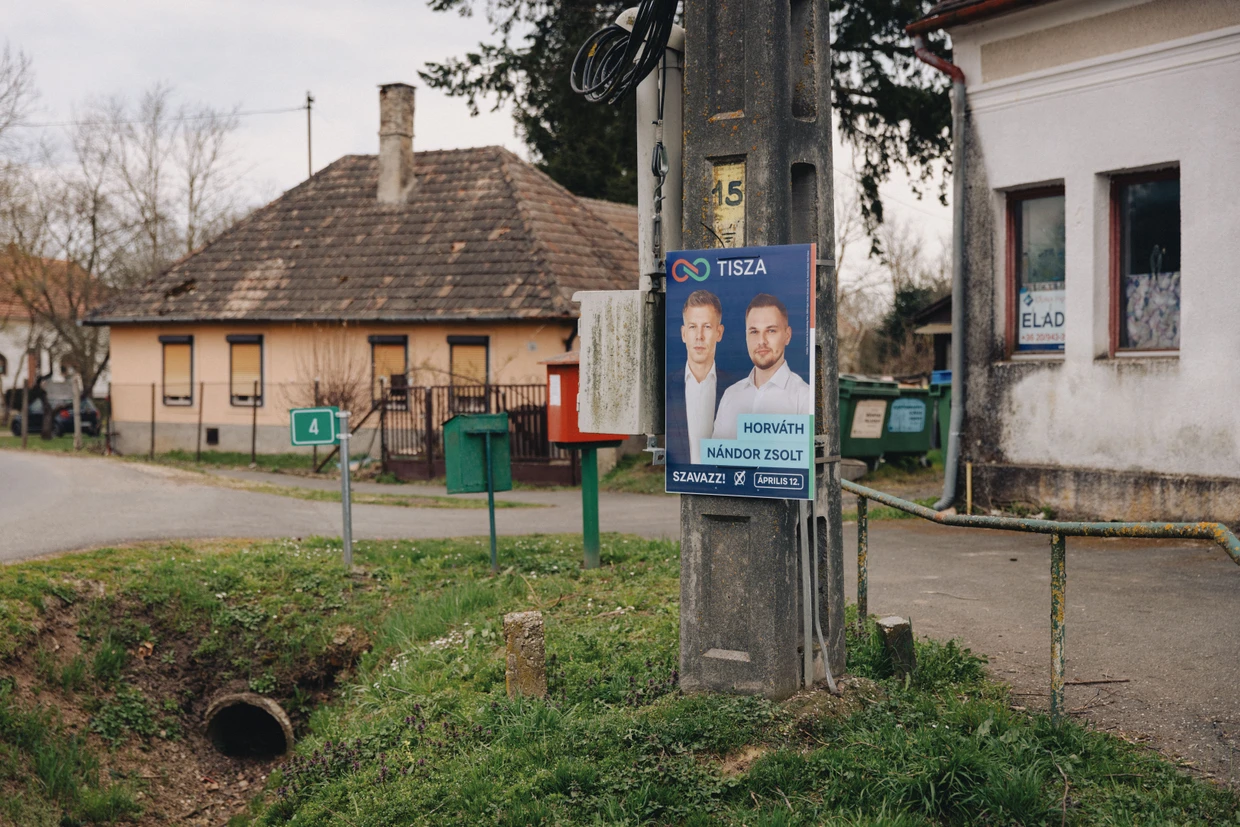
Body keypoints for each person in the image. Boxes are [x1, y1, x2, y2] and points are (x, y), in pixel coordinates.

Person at [712, 293, 812, 440]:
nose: (761, 341)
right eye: (754, 331)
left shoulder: (804, 398)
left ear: (787, 335)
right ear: (746, 336)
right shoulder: (730, 396)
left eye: (771, 330)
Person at [666, 289, 724, 464]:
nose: (699, 336)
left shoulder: (736, 387)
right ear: (684, 334)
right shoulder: (666, 387)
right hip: (686, 485)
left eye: (706, 327)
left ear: (719, 333)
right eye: (693, 327)